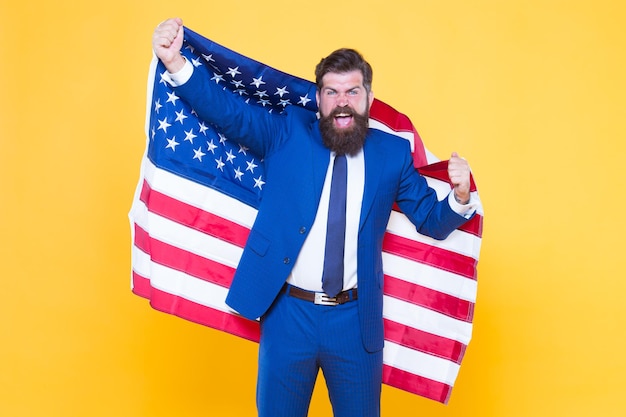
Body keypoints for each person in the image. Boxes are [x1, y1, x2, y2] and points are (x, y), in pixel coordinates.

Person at [152, 17, 478, 417]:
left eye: (352, 91)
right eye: (332, 92)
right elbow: (231, 114)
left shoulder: (392, 154)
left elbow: (430, 218)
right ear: (319, 99)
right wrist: (175, 64)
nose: (342, 101)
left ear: (368, 98)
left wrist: (460, 197)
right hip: (289, 315)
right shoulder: (288, 131)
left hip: (354, 322)